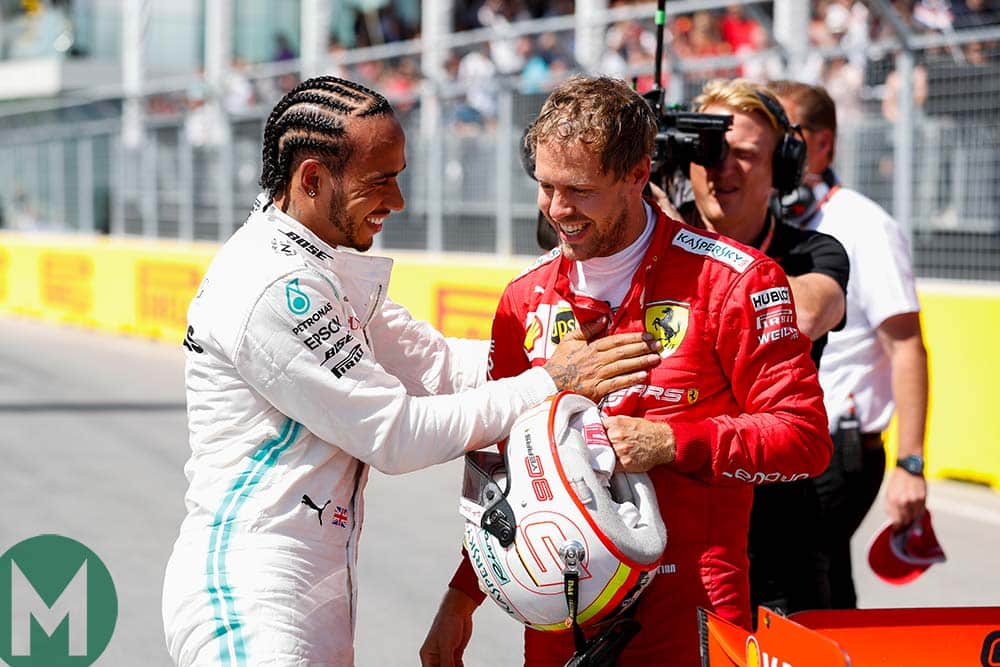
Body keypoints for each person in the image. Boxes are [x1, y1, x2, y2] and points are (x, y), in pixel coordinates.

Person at [160, 75, 663, 667]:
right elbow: (395, 435)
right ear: (313, 179)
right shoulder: (275, 285)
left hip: (306, 581)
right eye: (381, 181)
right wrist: (552, 381)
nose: (398, 201)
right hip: (250, 589)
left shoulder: (318, 265)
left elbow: (440, 367)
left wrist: (553, 346)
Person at [420, 75, 833, 667]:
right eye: (546, 186)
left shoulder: (735, 281)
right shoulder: (523, 301)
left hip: (692, 619)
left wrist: (672, 441)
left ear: (639, 174)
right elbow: (499, 479)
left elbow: (804, 439)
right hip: (560, 618)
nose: (559, 210)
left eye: (581, 190)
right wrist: (462, 597)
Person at [684, 79, 851, 618]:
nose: (722, 168)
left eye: (745, 155)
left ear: (782, 168)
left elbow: (800, 315)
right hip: (672, 537)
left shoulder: (813, 251)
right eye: (707, 150)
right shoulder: (649, 242)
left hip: (780, 543)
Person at [769, 79, 930, 609]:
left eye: (786, 133)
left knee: (796, 581)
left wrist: (910, 465)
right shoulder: (770, 217)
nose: (777, 148)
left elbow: (907, 345)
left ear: (823, 143)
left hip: (839, 448)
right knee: (823, 584)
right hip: (787, 440)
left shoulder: (864, 226)